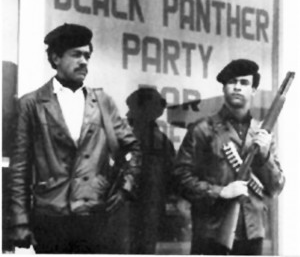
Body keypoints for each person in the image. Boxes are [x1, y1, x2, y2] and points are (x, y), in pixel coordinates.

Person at [9, 23, 142, 253]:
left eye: (87, 56)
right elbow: (20, 167)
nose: (84, 62)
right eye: (76, 54)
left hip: (94, 214)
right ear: (56, 58)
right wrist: (20, 221)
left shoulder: (102, 102)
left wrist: (125, 189)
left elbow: (133, 149)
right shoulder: (31, 104)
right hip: (50, 216)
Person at [173, 59, 285, 255]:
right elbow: (179, 177)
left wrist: (265, 156)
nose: (237, 87)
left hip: (252, 233)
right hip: (212, 232)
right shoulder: (203, 129)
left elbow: (276, 187)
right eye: (232, 82)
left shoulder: (262, 134)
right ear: (224, 88)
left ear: (253, 91)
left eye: (244, 83)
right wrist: (220, 192)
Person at [126, 88, 175, 254]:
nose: (127, 115)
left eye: (132, 109)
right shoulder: (160, 141)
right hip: (146, 212)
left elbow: (154, 182)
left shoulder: (149, 141)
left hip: (139, 211)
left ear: (144, 111)